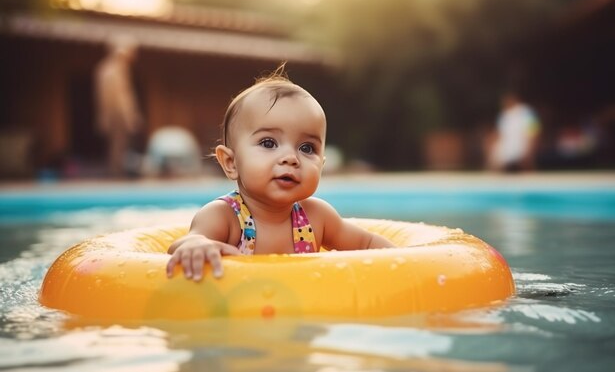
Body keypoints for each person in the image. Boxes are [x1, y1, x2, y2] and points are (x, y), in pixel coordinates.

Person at [166, 65, 395, 281]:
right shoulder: (224, 216)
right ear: (231, 162)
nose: (291, 158)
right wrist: (196, 245)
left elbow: (367, 244)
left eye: (307, 148)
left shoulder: (317, 217)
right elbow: (184, 243)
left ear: (321, 166)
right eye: (268, 143)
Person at [94, 36, 143, 177]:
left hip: (111, 114)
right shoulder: (117, 70)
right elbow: (123, 97)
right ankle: (117, 174)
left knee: (116, 147)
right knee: (119, 146)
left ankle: (116, 172)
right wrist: (131, 117)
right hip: (118, 115)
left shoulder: (103, 68)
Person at [488, 92, 541, 172]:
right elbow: (499, 134)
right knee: (495, 162)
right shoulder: (504, 115)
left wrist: (530, 149)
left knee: (525, 169)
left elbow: (534, 132)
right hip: (507, 148)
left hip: (521, 147)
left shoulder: (527, 112)